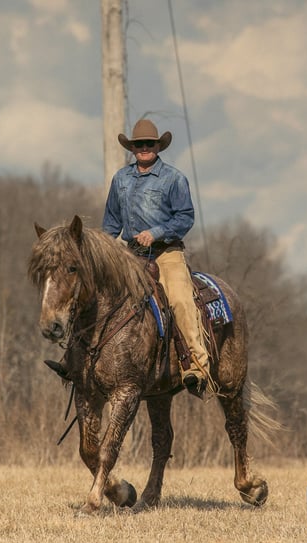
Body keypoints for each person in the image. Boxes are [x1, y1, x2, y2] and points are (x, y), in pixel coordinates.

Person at [102, 118, 212, 397]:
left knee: (180, 300)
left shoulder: (173, 178)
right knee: (100, 297)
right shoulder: (121, 179)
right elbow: (112, 221)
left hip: (167, 254)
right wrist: (102, 249)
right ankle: (86, 363)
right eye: (139, 144)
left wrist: (156, 232)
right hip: (131, 255)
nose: (144, 148)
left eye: (149, 144)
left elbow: (185, 217)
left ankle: (197, 367)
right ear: (132, 148)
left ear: (158, 146)